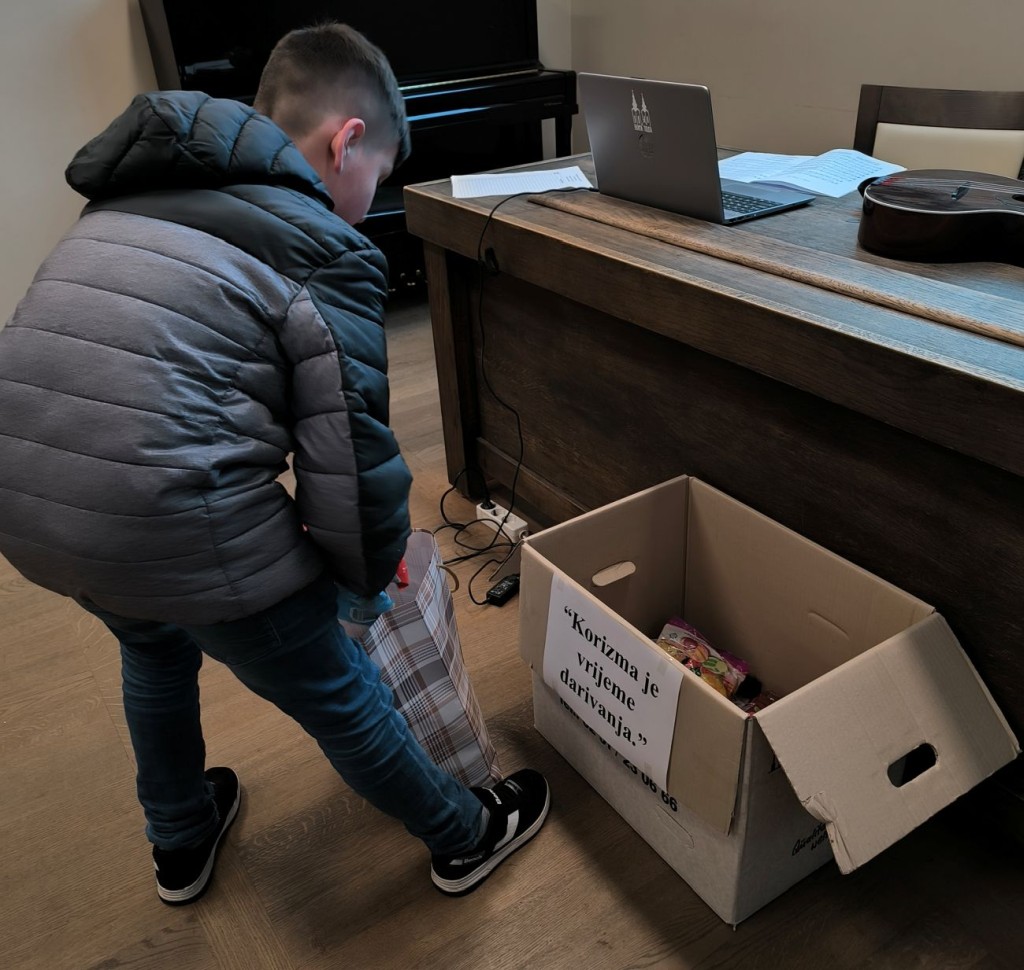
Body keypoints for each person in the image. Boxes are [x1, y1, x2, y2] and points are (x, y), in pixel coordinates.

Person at [0, 22, 549, 905]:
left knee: (154, 648)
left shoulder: (126, 202)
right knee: (334, 685)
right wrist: (364, 586)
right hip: (167, 517)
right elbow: (349, 463)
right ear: (347, 141)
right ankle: (465, 833)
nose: (369, 204)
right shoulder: (324, 247)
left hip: (30, 500)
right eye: (377, 178)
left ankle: (180, 837)